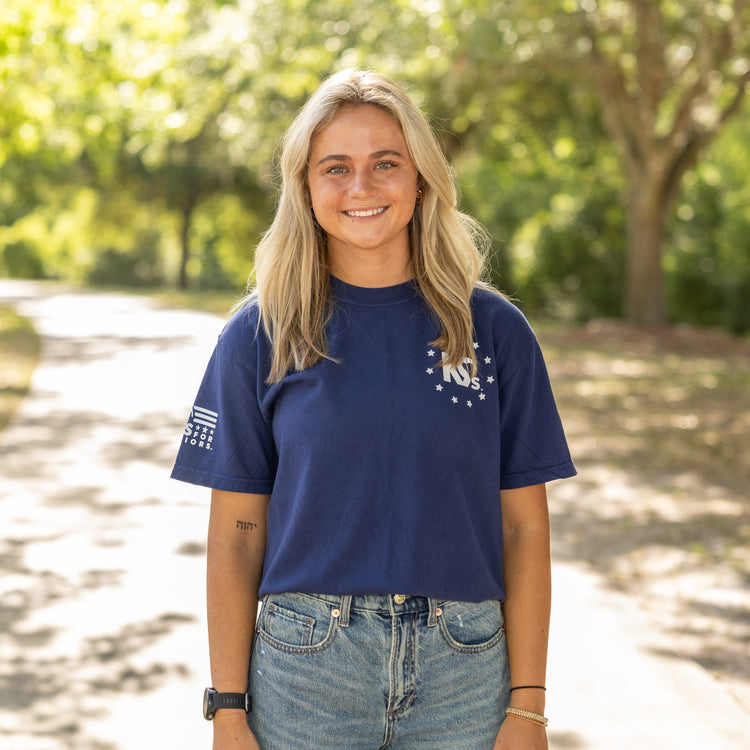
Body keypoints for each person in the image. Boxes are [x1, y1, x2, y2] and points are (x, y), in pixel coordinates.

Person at [171, 68, 576, 750]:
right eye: (336, 168)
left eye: (385, 164)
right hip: (305, 671)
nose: (361, 187)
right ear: (305, 186)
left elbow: (524, 532)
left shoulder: (495, 332)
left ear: (420, 179)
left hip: (467, 670)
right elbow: (237, 535)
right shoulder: (258, 335)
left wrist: (528, 708)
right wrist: (230, 710)